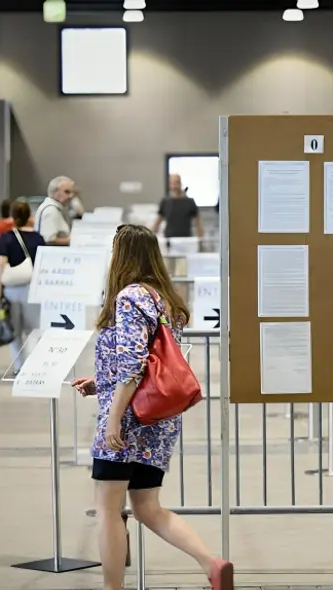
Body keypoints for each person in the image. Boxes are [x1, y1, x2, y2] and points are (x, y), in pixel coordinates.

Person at [71, 225, 233, 590]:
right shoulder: (164, 299)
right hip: (158, 420)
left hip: (127, 421)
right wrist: (100, 383)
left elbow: (133, 364)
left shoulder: (128, 298)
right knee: (147, 507)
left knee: (109, 511)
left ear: (122, 255)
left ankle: (114, 588)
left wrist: (112, 419)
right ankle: (212, 563)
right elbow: (153, 364)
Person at [0, 200, 45, 371]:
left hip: (12, 289)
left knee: (14, 330)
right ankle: (33, 364)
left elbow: (1, 264)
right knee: (34, 328)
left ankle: (19, 366)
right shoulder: (39, 238)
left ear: (13, 217)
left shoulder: (6, 238)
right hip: (34, 289)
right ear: (29, 216)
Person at [151, 174, 203, 239]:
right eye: (172, 183)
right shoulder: (165, 202)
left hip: (186, 239)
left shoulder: (190, 202)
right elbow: (157, 223)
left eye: (176, 182)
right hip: (169, 240)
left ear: (180, 183)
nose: (174, 186)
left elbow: (198, 223)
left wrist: (201, 241)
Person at [35, 176, 76, 246]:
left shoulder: (53, 207)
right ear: (55, 192)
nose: (70, 196)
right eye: (67, 192)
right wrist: (76, 240)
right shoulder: (51, 210)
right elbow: (49, 239)